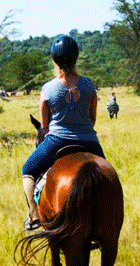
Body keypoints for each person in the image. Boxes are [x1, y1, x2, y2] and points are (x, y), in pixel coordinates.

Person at [21, 35, 105, 230]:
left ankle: (34, 215)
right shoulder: (89, 85)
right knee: (106, 176)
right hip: (90, 142)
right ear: (76, 59)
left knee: (27, 170)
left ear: (55, 60)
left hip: (57, 141)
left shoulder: (48, 89)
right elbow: (92, 120)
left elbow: (45, 126)